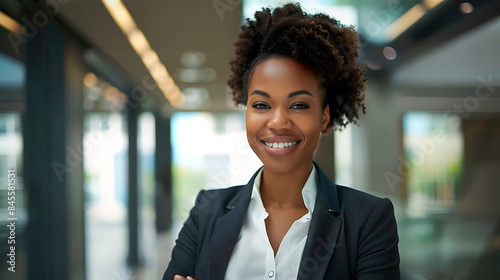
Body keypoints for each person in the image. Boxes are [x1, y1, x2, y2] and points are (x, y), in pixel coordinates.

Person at [163, 3, 400, 280]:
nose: (277, 122)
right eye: (262, 105)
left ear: (324, 118)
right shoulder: (207, 210)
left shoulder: (368, 219)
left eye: (299, 105)